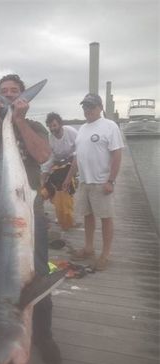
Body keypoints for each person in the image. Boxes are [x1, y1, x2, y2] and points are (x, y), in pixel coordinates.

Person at [0, 74, 61, 364]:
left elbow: (43, 155)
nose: (8, 96)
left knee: (39, 276)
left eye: (14, 92)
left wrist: (18, 120)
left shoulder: (34, 127)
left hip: (28, 219)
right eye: (3, 92)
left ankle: (43, 336)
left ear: (24, 98)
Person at [63, 93, 124, 270]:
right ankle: (89, 248)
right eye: (85, 107)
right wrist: (68, 178)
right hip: (84, 182)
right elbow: (77, 158)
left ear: (100, 107)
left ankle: (105, 254)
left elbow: (117, 154)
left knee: (106, 218)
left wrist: (111, 181)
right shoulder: (82, 129)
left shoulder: (109, 126)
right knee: (87, 216)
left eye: (91, 106)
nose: (87, 110)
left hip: (101, 182)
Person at [41, 112, 78, 230]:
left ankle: (67, 218)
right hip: (58, 166)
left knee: (64, 189)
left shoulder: (71, 132)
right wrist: (43, 178)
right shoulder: (50, 138)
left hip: (74, 163)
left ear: (60, 124)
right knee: (44, 190)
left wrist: (70, 175)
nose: (52, 129)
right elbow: (50, 159)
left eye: (54, 125)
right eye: (50, 126)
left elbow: (80, 152)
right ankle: (42, 215)